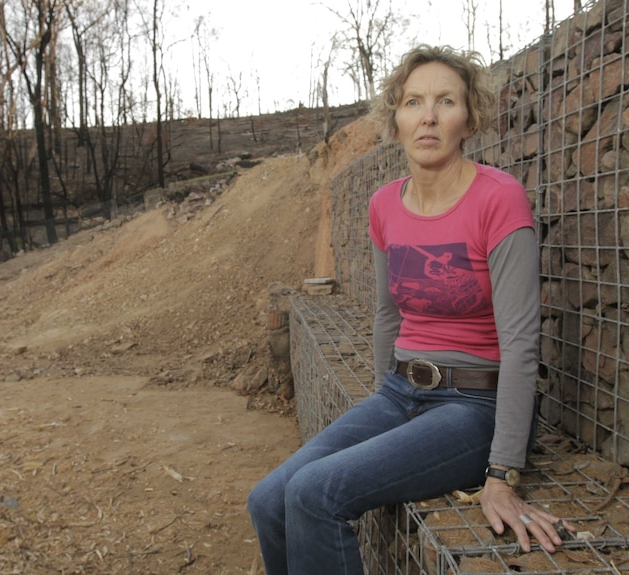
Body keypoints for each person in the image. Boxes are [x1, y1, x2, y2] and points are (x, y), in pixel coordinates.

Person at [246, 45, 575, 574]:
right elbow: (387, 317)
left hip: (474, 407)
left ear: (468, 120)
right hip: (400, 392)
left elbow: (520, 344)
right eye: (413, 102)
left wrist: (502, 473)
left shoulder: (500, 199)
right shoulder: (383, 206)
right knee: (267, 500)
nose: (428, 116)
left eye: (446, 101)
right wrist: (384, 409)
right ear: (394, 119)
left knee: (312, 494)